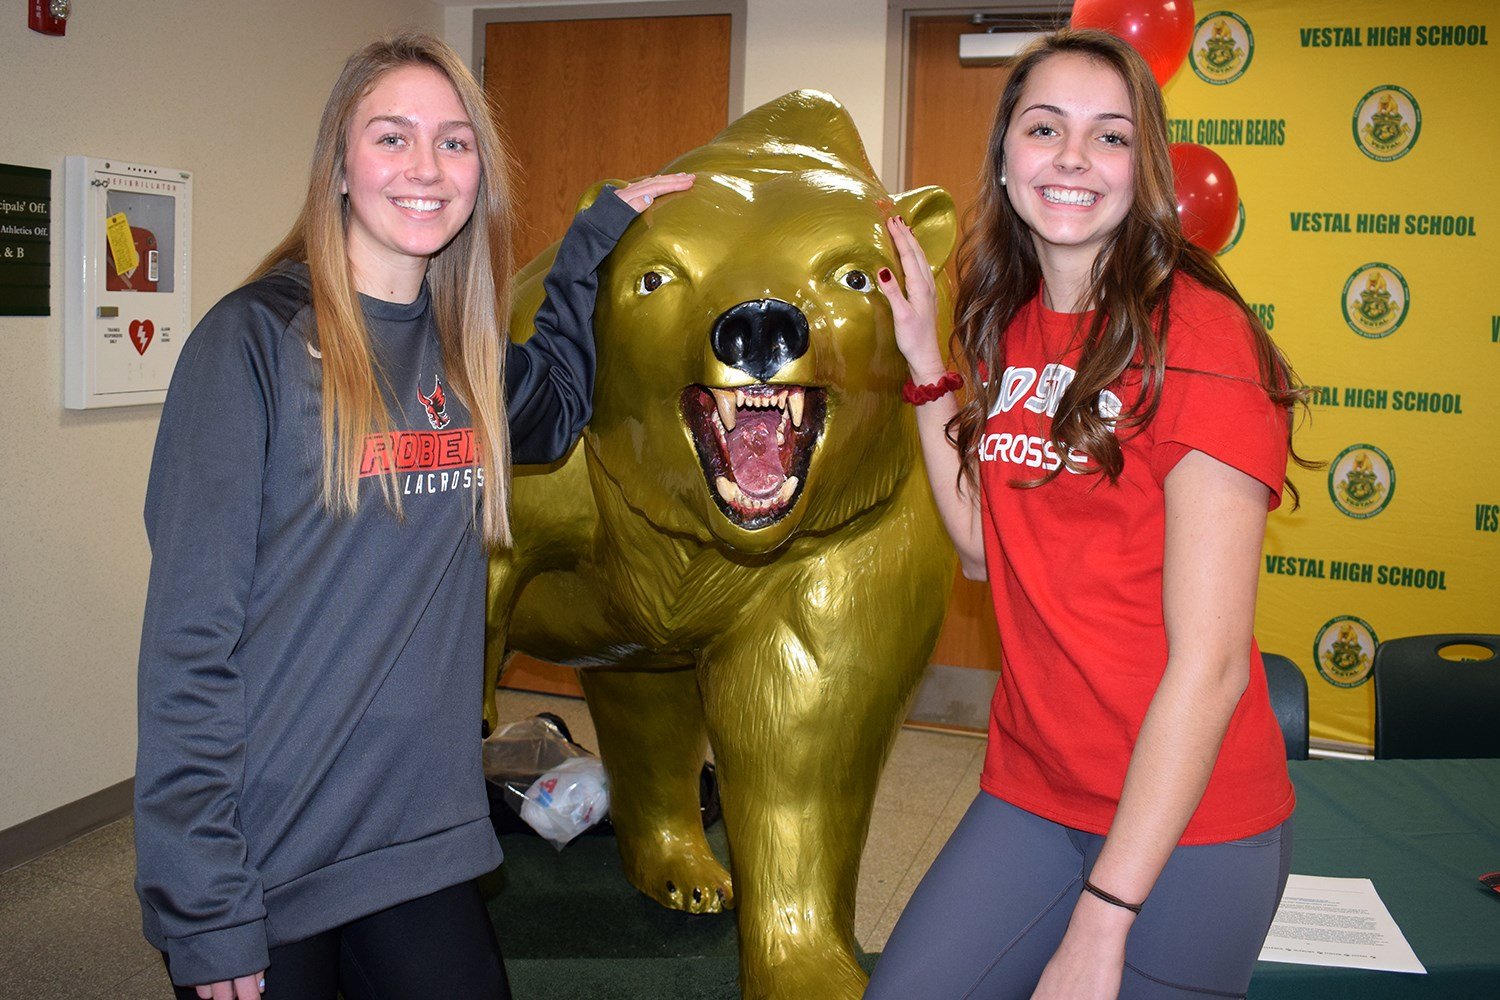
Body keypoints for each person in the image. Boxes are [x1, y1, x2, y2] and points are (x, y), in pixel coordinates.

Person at [132, 30, 692, 1000]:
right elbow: (189, 646)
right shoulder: (253, 346)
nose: (426, 168)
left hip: (417, 840)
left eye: (454, 141)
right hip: (271, 849)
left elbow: (555, 405)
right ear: (340, 167)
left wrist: (595, 238)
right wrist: (205, 900)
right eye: (392, 138)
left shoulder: (463, 358)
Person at [866, 28, 1308, 1000]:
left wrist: (1104, 918)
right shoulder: (1012, 322)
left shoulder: (1201, 341)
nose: (1071, 157)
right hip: (1032, 791)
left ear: (1141, 169)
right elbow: (985, 548)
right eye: (1044, 127)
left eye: (1108, 136)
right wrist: (926, 366)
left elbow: (1214, 664)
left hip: (1190, 822)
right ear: (1006, 158)